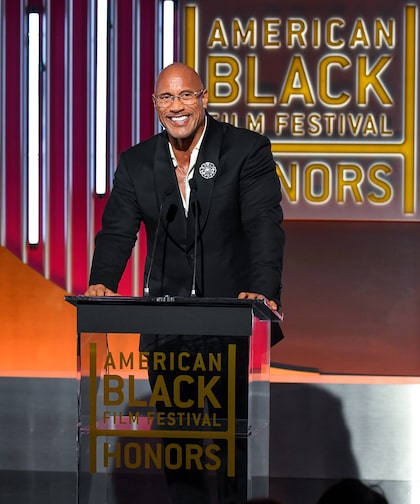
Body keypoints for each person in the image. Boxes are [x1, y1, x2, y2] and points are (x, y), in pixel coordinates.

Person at [85, 62, 285, 504]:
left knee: (232, 446)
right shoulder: (137, 162)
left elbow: (263, 225)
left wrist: (263, 289)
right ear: (155, 104)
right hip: (167, 327)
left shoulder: (245, 150)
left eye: (185, 95)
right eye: (166, 98)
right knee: (179, 446)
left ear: (204, 98)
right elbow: (117, 232)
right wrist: (101, 284)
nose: (176, 106)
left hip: (232, 324)